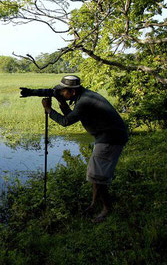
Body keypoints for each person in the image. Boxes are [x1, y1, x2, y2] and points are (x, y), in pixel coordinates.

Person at [41, 75, 128, 223]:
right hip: (109, 136)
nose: (61, 93)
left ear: (72, 92)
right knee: (96, 174)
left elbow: (66, 121)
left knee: (97, 176)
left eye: (63, 91)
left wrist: (49, 110)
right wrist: (62, 102)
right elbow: (71, 115)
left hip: (110, 138)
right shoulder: (85, 96)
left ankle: (107, 209)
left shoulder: (84, 101)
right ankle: (95, 203)